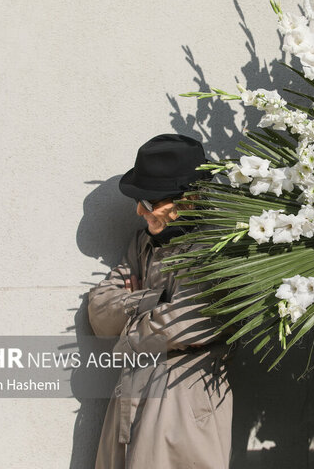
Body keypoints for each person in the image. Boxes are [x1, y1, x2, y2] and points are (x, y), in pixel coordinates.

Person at [88, 134, 232, 469]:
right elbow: (99, 311)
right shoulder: (143, 243)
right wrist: (155, 300)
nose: (139, 211)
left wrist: (129, 322)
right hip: (127, 397)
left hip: (183, 402)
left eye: (149, 201)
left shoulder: (221, 249)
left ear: (190, 200)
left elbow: (189, 320)